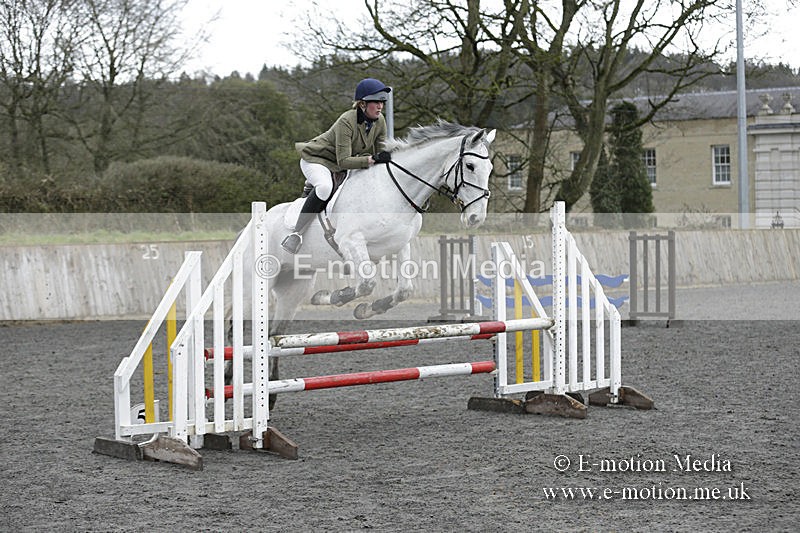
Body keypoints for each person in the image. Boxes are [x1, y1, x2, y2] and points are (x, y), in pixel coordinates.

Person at [281, 78, 393, 254]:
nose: (380, 106)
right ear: (362, 104)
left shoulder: (380, 121)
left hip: (339, 165)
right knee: (325, 187)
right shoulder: (346, 121)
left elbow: (381, 153)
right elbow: (344, 161)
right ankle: (296, 234)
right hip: (317, 160)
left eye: (382, 102)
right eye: (376, 102)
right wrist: (371, 159)